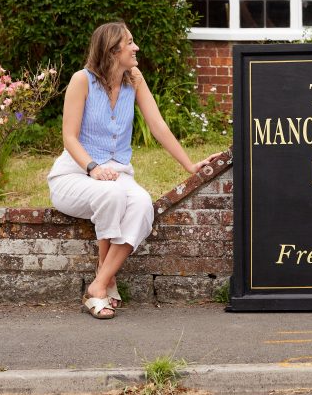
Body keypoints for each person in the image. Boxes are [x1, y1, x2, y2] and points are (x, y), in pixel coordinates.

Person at [48, 20, 211, 319]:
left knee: (141, 204)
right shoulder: (81, 80)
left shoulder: (134, 79)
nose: (136, 47)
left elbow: (157, 125)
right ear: (113, 50)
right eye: (130, 43)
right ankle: (104, 284)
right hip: (73, 174)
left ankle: (99, 283)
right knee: (111, 195)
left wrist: (189, 164)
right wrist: (93, 167)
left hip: (116, 174)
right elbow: (69, 137)